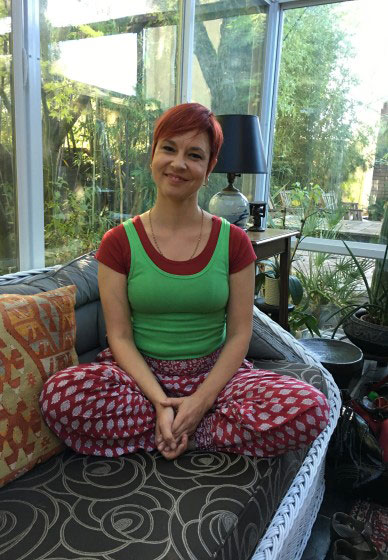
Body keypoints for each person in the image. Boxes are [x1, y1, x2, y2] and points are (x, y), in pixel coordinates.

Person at [40, 102, 329, 460]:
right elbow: (120, 337)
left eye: (194, 155)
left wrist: (200, 401)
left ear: (209, 168)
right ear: (153, 155)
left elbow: (240, 334)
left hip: (215, 376)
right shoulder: (118, 242)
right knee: (59, 395)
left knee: (311, 407)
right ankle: (175, 426)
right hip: (139, 379)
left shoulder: (234, 242)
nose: (178, 164)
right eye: (169, 149)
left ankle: (185, 433)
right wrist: (161, 402)